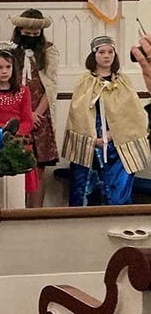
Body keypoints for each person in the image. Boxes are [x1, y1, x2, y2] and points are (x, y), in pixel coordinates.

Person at [63, 36, 151, 206]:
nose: (106, 56)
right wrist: (92, 139)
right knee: (86, 188)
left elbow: (132, 115)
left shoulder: (122, 82)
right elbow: (78, 115)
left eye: (110, 52)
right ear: (93, 55)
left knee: (117, 189)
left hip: (118, 144)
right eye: (102, 52)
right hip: (92, 143)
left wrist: (113, 133)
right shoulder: (86, 82)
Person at [0, 42, 38, 197]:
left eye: (8, 67)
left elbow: (27, 121)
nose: (4, 71)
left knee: (17, 192)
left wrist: (14, 135)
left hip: (18, 140)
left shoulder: (23, 91)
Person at [11, 9, 59, 207]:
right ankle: (15, 209)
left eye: (35, 34)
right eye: (27, 33)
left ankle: (36, 212)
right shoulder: (9, 52)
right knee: (14, 163)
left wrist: (36, 113)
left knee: (38, 166)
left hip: (40, 115)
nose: (30, 37)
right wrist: (25, 114)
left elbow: (52, 85)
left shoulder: (49, 51)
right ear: (19, 30)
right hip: (15, 113)